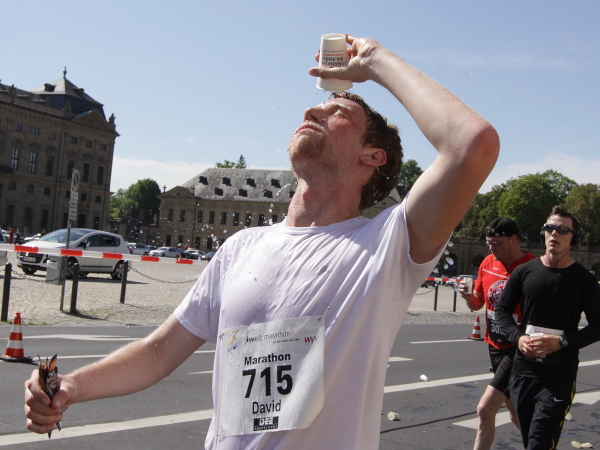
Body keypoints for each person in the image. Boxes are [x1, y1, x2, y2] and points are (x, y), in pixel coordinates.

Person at [24, 35, 499, 449]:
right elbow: (157, 353)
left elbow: (472, 143)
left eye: (338, 113)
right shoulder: (240, 248)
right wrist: (72, 387)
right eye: (318, 107)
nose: (313, 109)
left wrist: (373, 59)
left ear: (372, 157)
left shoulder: (385, 245)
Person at [495, 206, 600, 449]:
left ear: (573, 237)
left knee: (540, 442)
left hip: (559, 375)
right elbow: (502, 310)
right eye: (550, 228)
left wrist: (562, 342)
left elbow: (598, 325)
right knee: (529, 440)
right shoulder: (525, 271)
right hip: (523, 371)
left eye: (562, 229)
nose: (554, 233)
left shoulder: (584, 280)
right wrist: (518, 337)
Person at [458, 218, 536, 450]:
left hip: (518, 348)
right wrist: (467, 296)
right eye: (488, 243)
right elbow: (477, 304)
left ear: (513, 240)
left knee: (485, 408)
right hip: (494, 345)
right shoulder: (487, 263)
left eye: (497, 243)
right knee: (515, 414)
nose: (492, 248)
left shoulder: (532, 266)